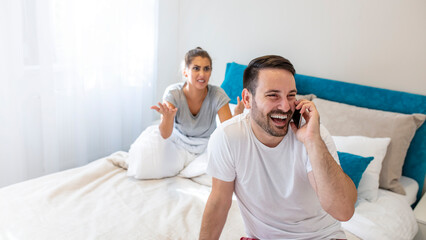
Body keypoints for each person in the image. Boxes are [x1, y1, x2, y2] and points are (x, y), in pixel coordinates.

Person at [199, 55, 357, 239]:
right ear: (247, 99)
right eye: (273, 95)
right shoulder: (227, 136)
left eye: (291, 95)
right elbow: (219, 201)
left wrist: (313, 142)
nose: (285, 106)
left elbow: (343, 211)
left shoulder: (314, 135)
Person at [126, 47, 244, 179]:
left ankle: (189, 168)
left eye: (206, 69)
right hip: (177, 143)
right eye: (196, 68)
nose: (202, 74)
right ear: (185, 72)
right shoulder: (173, 93)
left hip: (205, 146)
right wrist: (168, 118)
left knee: (228, 171)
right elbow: (165, 134)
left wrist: (237, 117)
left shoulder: (218, 94)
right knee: (146, 163)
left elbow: (227, 135)